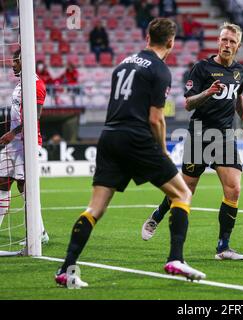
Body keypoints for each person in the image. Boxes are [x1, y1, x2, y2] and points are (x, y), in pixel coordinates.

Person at [54, 18, 205, 288]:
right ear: (171, 42)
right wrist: (162, 151)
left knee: (95, 208)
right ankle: (176, 258)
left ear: (147, 38)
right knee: (182, 193)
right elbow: (156, 119)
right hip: (136, 137)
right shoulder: (160, 70)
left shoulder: (123, 63)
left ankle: (67, 269)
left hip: (109, 136)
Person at [141, 22, 243, 261]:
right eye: (224, 40)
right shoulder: (202, 68)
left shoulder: (240, 72)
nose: (227, 44)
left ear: (238, 46)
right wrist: (208, 92)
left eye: (232, 41)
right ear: (218, 41)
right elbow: (189, 103)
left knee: (234, 189)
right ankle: (158, 214)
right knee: (186, 189)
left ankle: (223, 247)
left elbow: (238, 96)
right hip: (200, 136)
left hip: (224, 137)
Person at [0, 49, 49, 244]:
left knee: (24, 187)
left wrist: (12, 133)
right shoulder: (20, 85)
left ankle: (39, 233)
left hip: (27, 143)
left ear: (27, 62)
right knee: (3, 182)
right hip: (15, 144)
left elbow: (34, 117)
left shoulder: (36, 85)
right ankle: (41, 232)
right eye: (13, 60)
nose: (13, 64)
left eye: (17, 61)